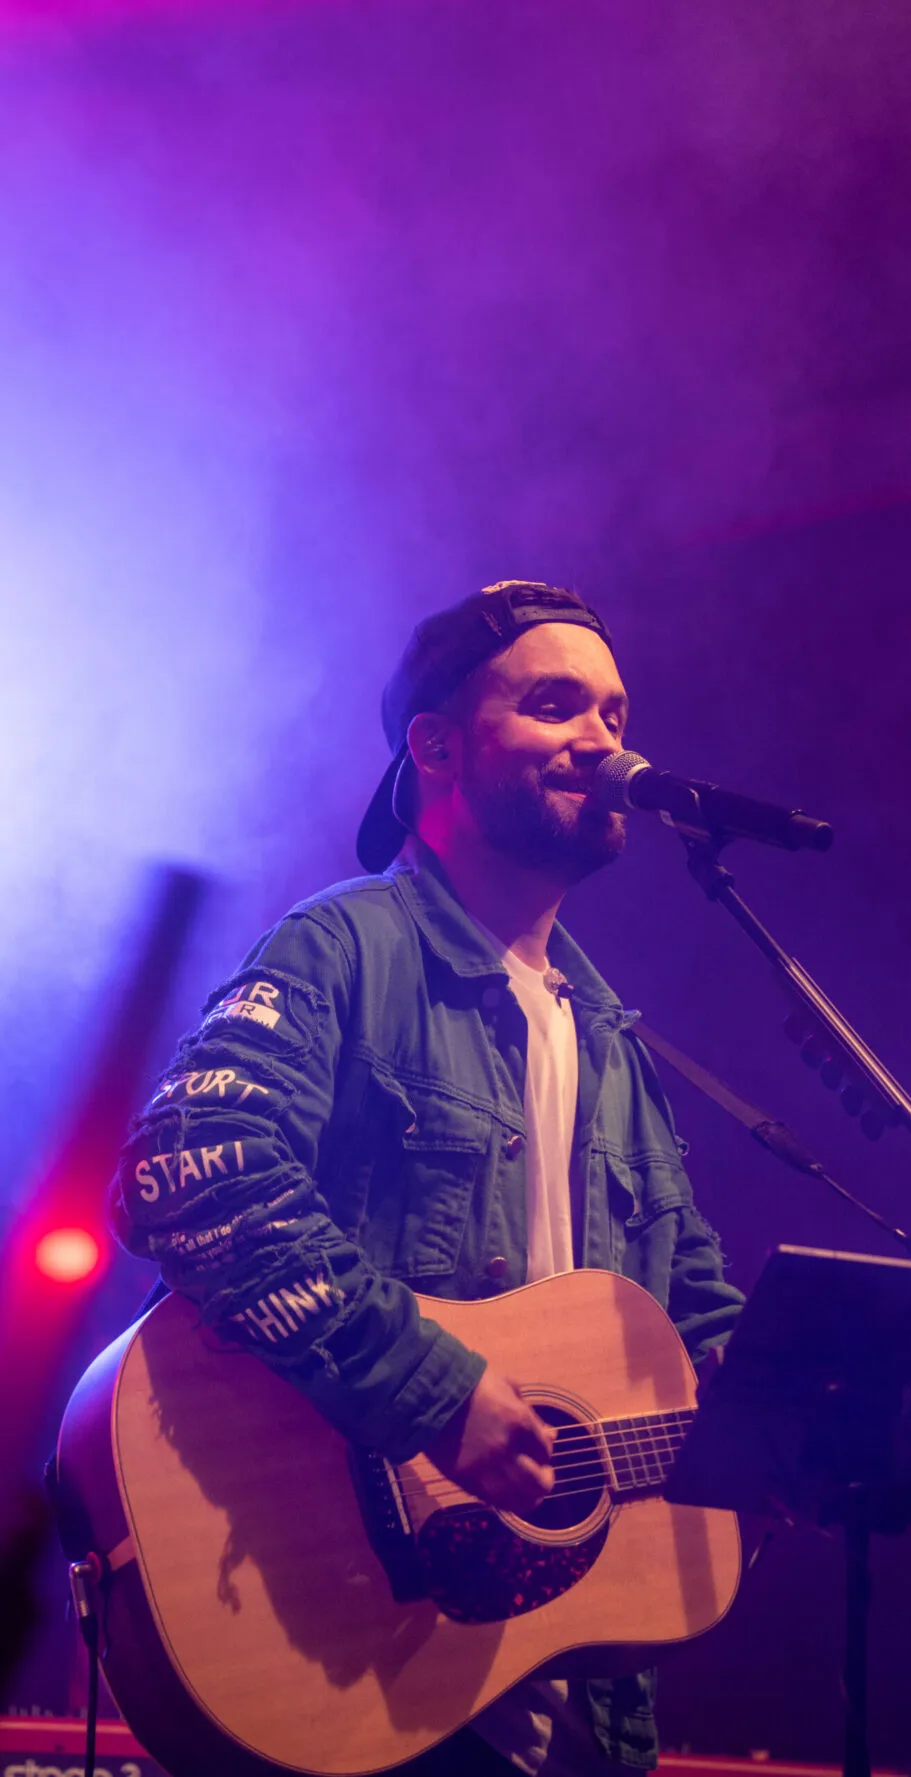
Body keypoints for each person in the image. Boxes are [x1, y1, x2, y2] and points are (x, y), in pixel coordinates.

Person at [111, 579, 744, 1775]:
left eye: (615, 713)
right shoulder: (344, 948)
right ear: (438, 747)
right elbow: (191, 1171)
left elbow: (705, 1335)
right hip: (354, 1644)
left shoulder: (614, 1042)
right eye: (556, 704)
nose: (604, 742)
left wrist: (854, 1411)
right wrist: (432, 1391)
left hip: (580, 1704)